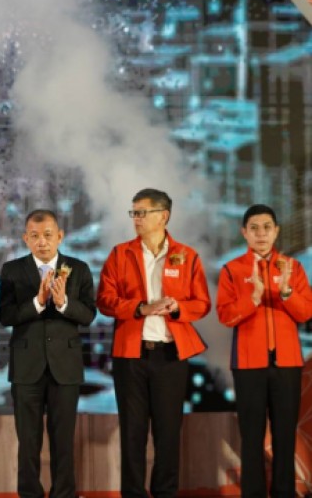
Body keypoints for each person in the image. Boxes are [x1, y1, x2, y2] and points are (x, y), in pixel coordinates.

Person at [97, 188, 211, 498]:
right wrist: (140, 308)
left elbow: (202, 303)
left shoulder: (187, 256)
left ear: (163, 216)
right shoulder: (120, 254)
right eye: (133, 212)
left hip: (171, 355)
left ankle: (165, 492)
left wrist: (177, 307)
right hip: (131, 355)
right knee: (132, 433)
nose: (135, 218)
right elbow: (104, 300)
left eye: (141, 212)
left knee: (168, 433)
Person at [0, 209, 96, 498]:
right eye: (35, 236)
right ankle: (30, 493)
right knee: (28, 441)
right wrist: (38, 302)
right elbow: (5, 315)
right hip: (26, 367)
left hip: (65, 366)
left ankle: (64, 493)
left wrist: (63, 302)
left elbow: (88, 315)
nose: (42, 241)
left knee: (63, 440)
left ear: (60, 236)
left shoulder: (79, 268)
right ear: (25, 238)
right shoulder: (12, 270)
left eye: (48, 235)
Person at [216, 204, 312, 498]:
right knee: (251, 437)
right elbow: (225, 316)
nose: (261, 234)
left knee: (284, 435)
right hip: (248, 365)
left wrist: (286, 292)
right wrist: (254, 298)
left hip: (287, 364)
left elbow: (305, 313)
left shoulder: (293, 268)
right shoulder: (232, 270)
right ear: (244, 232)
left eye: (267, 227)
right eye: (254, 228)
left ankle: (284, 493)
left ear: (276, 231)